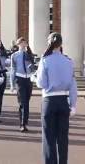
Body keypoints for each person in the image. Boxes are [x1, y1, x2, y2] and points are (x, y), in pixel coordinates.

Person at [36, 32, 77, 164]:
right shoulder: (68, 61)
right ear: (61, 44)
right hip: (63, 101)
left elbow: (41, 83)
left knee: (49, 138)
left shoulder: (45, 60)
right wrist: (73, 105)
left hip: (49, 100)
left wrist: (34, 78)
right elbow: (72, 85)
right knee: (63, 138)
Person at [10, 37, 35, 132]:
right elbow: (13, 70)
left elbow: (33, 68)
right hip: (19, 79)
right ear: (18, 44)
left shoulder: (29, 54)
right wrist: (12, 84)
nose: (23, 44)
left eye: (25, 43)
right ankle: (22, 124)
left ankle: (25, 121)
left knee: (27, 102)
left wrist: (32, 68)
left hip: (28, 79)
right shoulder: (14, 56)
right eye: (21, 43)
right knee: (23, 102)